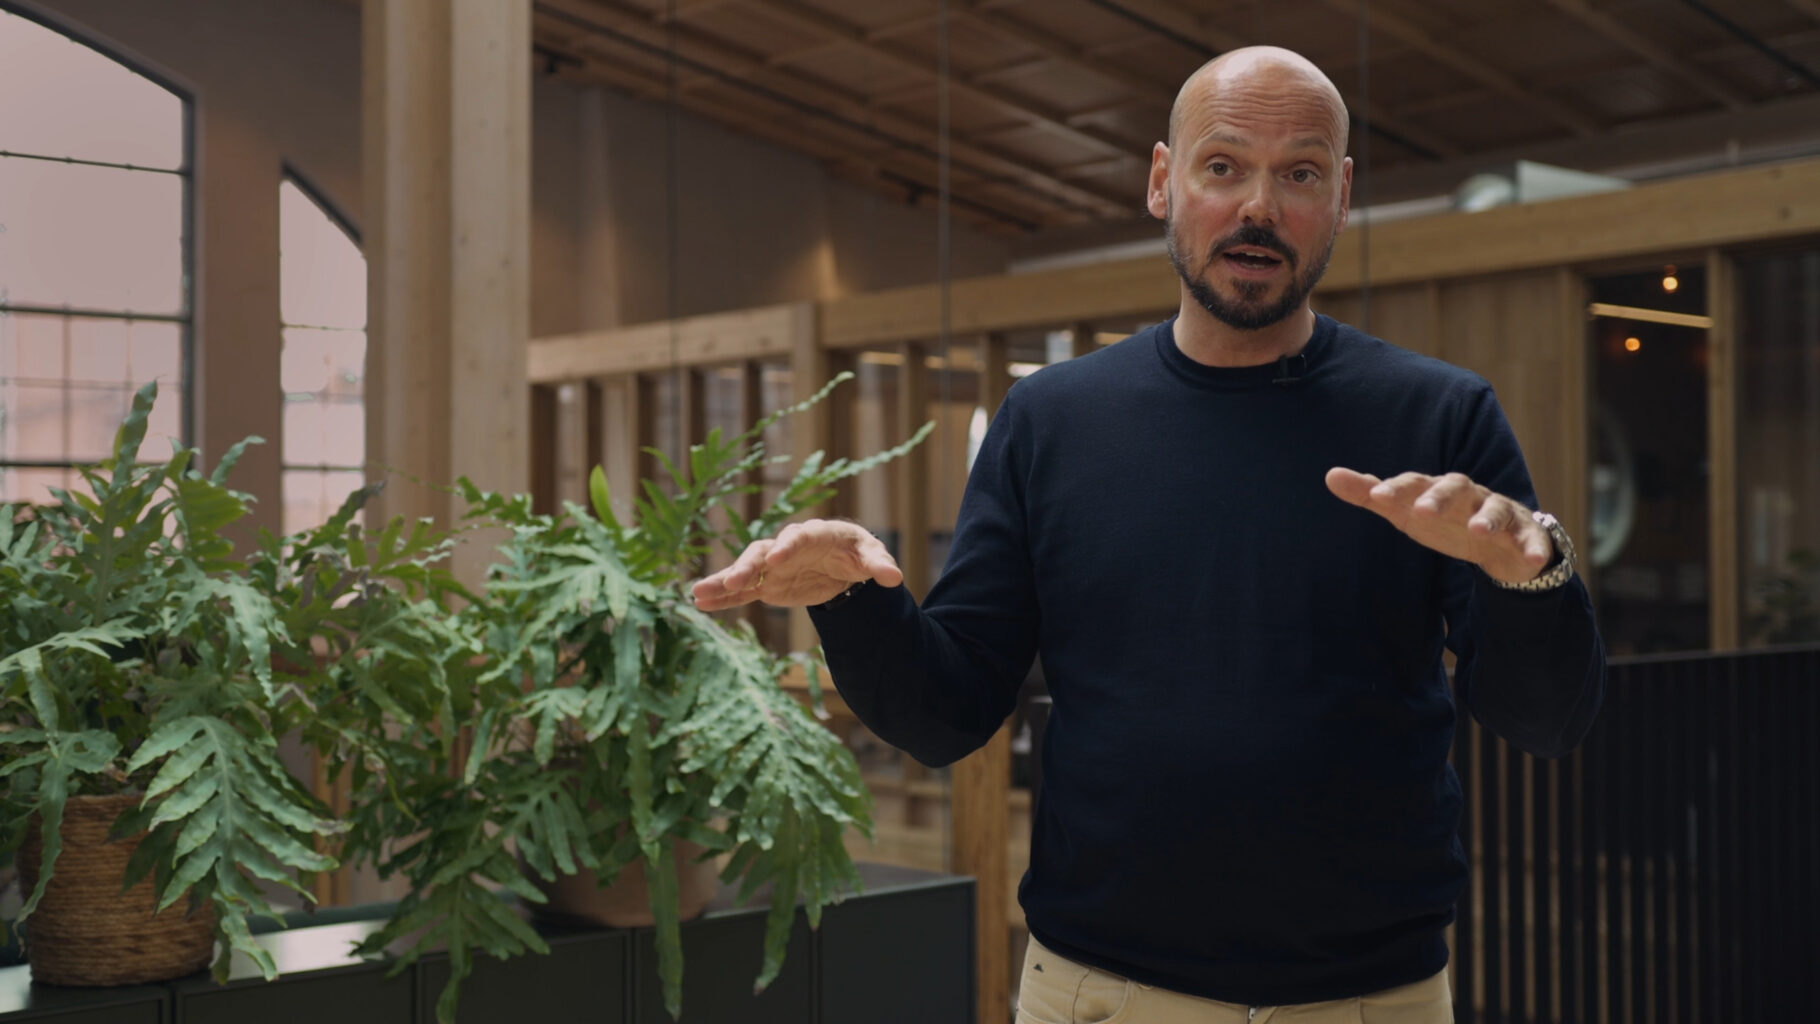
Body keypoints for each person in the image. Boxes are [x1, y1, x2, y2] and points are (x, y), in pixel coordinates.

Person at [693, 45, 1604, 1024]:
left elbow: (1543, 720)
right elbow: (947, 711)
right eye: (1222, 166)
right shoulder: (1049, 420)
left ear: (1338, 197)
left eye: (1297, 172)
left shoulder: (1439, 417)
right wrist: (853, 601)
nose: (1258, 204)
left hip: (1369, 996)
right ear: (1162, 182)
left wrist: (1530, 577)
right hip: (1101, 990)